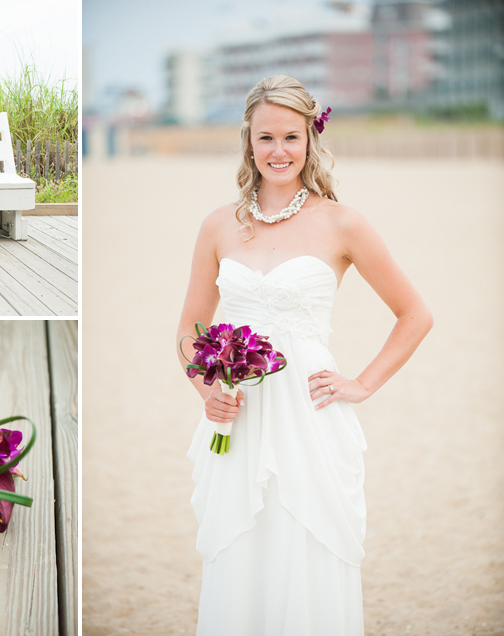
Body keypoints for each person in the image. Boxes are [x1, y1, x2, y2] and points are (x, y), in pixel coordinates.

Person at [176, 75, 432, 635]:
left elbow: (416, 315)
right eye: (265, 138)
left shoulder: (343, 223)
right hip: (238, 418)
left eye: (291, 137)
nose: (278, 151)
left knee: (308, 539)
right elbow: (190, 332)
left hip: (311, 415)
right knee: (241, 543)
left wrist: (360, 385)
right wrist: (208, 390)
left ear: (311, 139)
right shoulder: (218, 225)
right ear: (248, 140)